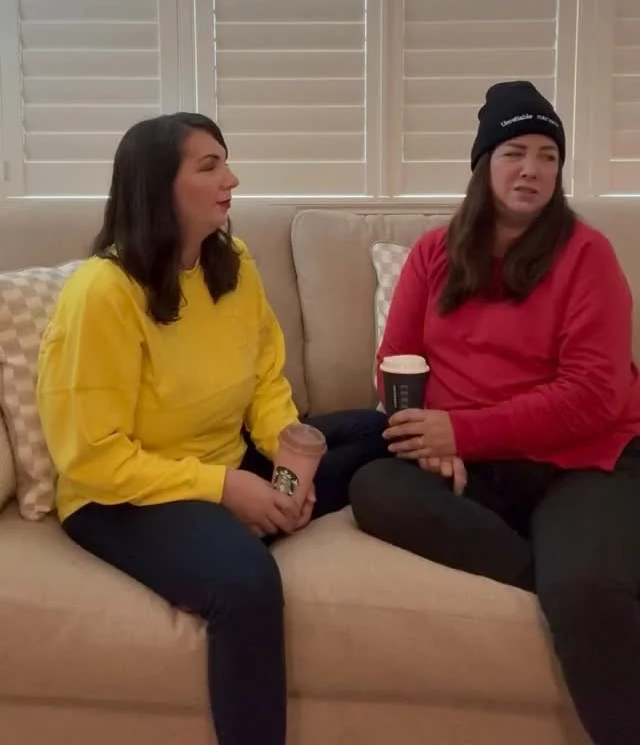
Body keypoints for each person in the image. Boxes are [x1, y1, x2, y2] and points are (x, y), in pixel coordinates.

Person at [37, 112, 387, 745]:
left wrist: (290, 465)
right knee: (247, 584)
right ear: (158, 186)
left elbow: (265, 380)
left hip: (224, 464)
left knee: (378, 433)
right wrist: (228, 490)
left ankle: (260, 518)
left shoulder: (233, 265)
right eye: (209, 166)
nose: (232, 179)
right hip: (121, 496)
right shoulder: (102, 294)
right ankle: (241, 531)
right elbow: (92, 457)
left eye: (225, 162)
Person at [349, 80, 640, 745]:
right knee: (375, 487)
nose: (532, 169)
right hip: (477, 467)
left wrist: (463, 431)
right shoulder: (434, 253)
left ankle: (579, 574)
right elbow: (396, 362)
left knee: (586, 595)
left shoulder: (587, 254)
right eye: (515, 152)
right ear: (484, 164)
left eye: (547, 155)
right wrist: (432, 440)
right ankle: (559, 562)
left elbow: (594, 395)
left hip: (583, 463)